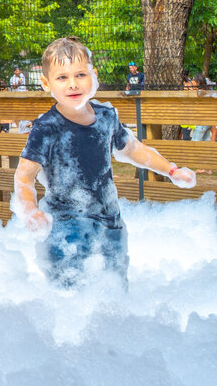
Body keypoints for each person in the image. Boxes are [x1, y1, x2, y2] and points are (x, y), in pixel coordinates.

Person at [13, 37, 194, 287]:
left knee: (115, 287)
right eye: (62, 77)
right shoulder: (46, 127)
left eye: (80, 75)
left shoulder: (106, 116)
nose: (73, 84)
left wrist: (171, 170)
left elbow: (133, 150)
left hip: (109, 221)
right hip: (65, 226)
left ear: (93, 76)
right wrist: (30, 210)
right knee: (72, 292)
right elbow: (24, 175)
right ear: (46, 83)